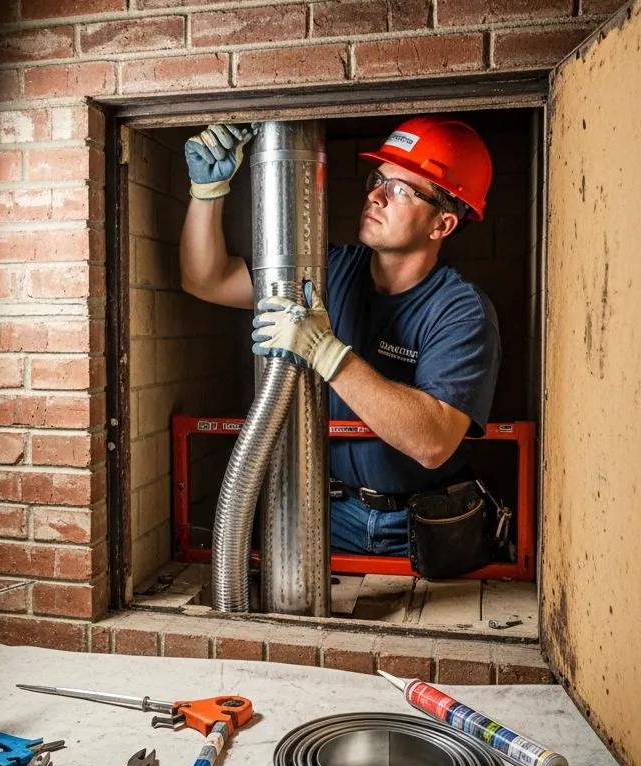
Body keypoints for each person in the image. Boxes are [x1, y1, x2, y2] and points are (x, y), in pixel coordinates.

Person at [179, 116, 501, 557]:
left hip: (418, 527)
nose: (375, 195)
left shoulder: (460, 310)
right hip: (324, 512)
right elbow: (207, 279)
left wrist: (325, 352)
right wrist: (206, 193)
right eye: (378, 179)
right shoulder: (328, 270)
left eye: (401, 189)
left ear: (441, 225)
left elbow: (432, 442)